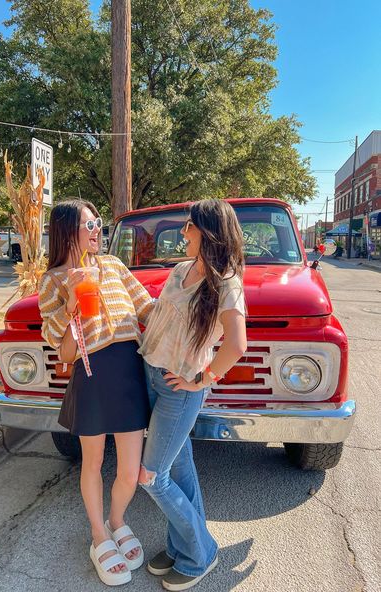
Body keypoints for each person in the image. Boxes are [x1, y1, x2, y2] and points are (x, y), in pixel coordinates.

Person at [38, 199, 154, 587]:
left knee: (130, 469)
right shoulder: (52, 281)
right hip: (90, 374)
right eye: (88, 225)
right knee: (91, 463)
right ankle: (99, 535)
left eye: (98, 223)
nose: (96, 231)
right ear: (66, 231)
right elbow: (66, 352)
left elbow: (147, 311)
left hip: (128, 371)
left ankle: (117, 520)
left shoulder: (115, 266)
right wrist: (71, 304)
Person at [138, 199, 247, 591]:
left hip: (179, 391)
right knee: (179, 471)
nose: (183, 233)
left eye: (189, 227)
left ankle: (200, 552)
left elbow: (236, 344)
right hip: (151, 377)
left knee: (151, 476)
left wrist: (203, 380)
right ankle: (182, 546)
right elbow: (158, 315)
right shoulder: (180, 270)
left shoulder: (226, 283)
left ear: (209, 232)